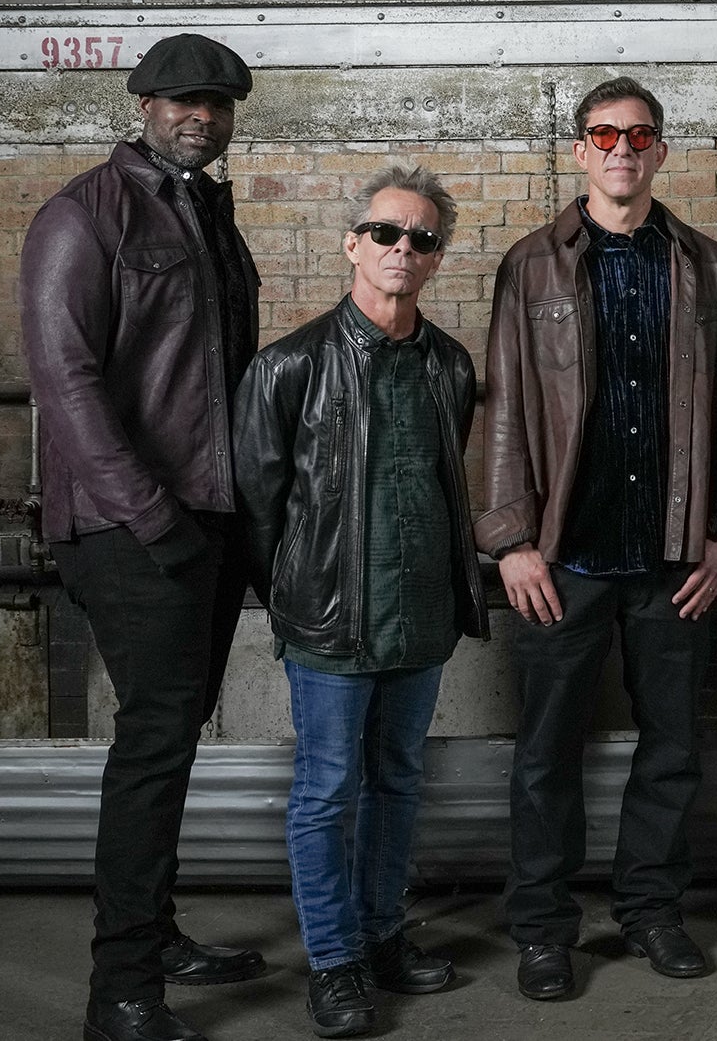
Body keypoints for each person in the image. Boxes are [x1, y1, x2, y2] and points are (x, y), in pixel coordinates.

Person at [474, 77, 717, 1002]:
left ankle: (652, 910)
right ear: (580, 150)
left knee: (672, 747)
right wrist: (512, 539)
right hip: (564, 557)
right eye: (604, 134)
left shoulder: (705, 265)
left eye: (639, 135)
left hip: (674, 558)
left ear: (660, 151)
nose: (621, 150)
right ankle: (542, 928)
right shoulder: (532, 264)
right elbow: (502, 404)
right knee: (545, 754)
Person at [20, 33, 267, 1041]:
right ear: (143, 106)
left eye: (217, 102)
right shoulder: (84, 215)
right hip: (131, 525)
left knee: (172, 734)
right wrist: (151, 513)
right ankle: (121, 993)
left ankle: (152, 938)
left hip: (207, 518)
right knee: (156, 743)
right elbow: (64, 383)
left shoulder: (206, 212)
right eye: (180, 100)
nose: (200, 116)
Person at [230, 166, 483, 1038]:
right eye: (386, 232)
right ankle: (334, 962)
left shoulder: (450, 365)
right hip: (330, 625)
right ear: (352, 243)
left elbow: (441, 485)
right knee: (328, 791)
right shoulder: (289, 365)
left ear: (436, 258)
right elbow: (257, 509)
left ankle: (381, 937)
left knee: (397, 782)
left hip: (420, 619)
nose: (402, 248)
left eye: (422, 238)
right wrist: (298, 601)